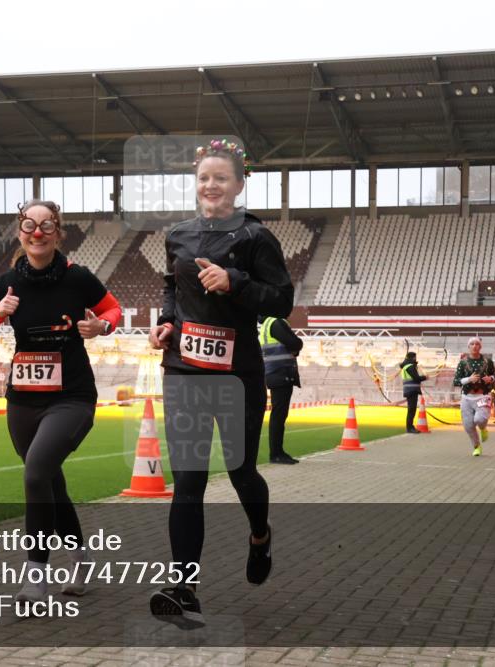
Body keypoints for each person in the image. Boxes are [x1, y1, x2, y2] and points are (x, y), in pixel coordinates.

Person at [147, 139, 294, 629]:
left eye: (221, 178)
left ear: (239, 184)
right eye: (204, 177)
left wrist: (236, 283)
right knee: (187, 481)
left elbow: (281, 300)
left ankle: (259, 534)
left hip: (238, 375)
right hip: (185, 369)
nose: (211, 185)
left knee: (240, 472)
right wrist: (167, 321)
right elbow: (173, 286)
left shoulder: (256, 238)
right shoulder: (179, 236)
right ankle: (184, 589)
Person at [0, 199, 121, 603]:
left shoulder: (78, 278)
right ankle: (82, 558)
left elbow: (113, 310)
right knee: (49, 480)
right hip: (24, 400)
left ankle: (36, 573)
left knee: (36, 473)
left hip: (72, 396)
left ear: (58, 233)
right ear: (20, 231)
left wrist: (101, 326)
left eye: (47, 225)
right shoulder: (8, 283)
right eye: (29, 224)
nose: (37, 232)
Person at [259, 315, 303, 464]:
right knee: (279, 414)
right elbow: (295, 343)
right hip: (281, 373)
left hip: (274, 373)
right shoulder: (276, 322)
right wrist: (296, 347)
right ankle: (276, 453)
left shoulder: (266, 323)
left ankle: (277, 451)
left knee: (278, 414)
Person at [452, 337, 495, 457]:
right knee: (468, 425)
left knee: (479, 419)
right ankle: (476, 447)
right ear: (468, 347)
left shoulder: (488, 362)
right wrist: (469, 379)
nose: (474, 346)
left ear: (480, 347)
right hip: (467, 397)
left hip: (483, 396)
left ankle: (483, 428)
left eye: (477, 344)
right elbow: (456, 381)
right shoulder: (463, 362)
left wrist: (491, 378)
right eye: (472, 344)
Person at [399, 351, 427, 434]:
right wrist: (425, 377)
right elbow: (416, 378)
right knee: (412, 410)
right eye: (415, 357)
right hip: (412, 390)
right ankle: (410, 428)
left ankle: (410, 427)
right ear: (413, 357)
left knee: (411, 409)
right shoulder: (410, 366)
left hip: (409, 390)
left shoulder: (406, 366)